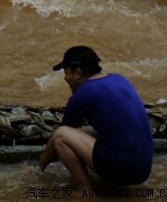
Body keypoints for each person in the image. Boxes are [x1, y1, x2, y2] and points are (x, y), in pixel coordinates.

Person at [37, 45, 154, 194]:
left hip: (124, 169)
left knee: (61, 134)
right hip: (143, 168)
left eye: (66, 72)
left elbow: (59, 137)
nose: (65, 78)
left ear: (78, 72)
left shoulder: (84, 93)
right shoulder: (119, 79)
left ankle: (84, 190)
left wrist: (38, 169)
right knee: (86, 131)